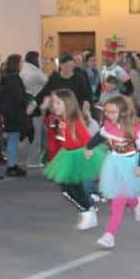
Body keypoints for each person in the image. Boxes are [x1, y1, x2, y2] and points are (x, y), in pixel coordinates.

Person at [87, 96, 140, 249]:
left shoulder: (134, 128)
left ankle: (109, 235)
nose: (109, 114)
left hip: (131, 165)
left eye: (113, 112)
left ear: (122, 112)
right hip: (114, 164)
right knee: (119, 196)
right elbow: (98, 137)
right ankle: (136, 202)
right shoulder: (107, 126)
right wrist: (88, 148)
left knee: (118, 202)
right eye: (107, 111)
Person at [43, 89, 102, 230]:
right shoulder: (58, 119)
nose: (54, 105)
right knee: (66, 190)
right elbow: (57, 137)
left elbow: (88, 140)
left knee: (75, 188)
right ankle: (88, 208)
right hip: (66, 155)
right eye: (53, 102)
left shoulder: (74, 121)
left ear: (68, 104)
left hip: (78, 156)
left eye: (58, 103)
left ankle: (88, 209)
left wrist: (90, 155)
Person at [1, 54, 34, 178]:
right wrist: (27, 100)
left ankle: (12, 164)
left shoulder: (7, 77)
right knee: (13, 140)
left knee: (12, 140)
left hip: (9, 112)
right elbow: (17, 96)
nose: (22, 64)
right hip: (14, 113)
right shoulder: (14, 78)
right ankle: (11, 166)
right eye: (20, 62)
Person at [20, 51, 48, 169]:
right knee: (36, 134)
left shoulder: (23, 70)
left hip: (26, 103)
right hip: (35, 105)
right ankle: (32, 160)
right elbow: (47, 82)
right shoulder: (34, 73)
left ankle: (30, 158)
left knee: (31, 132)